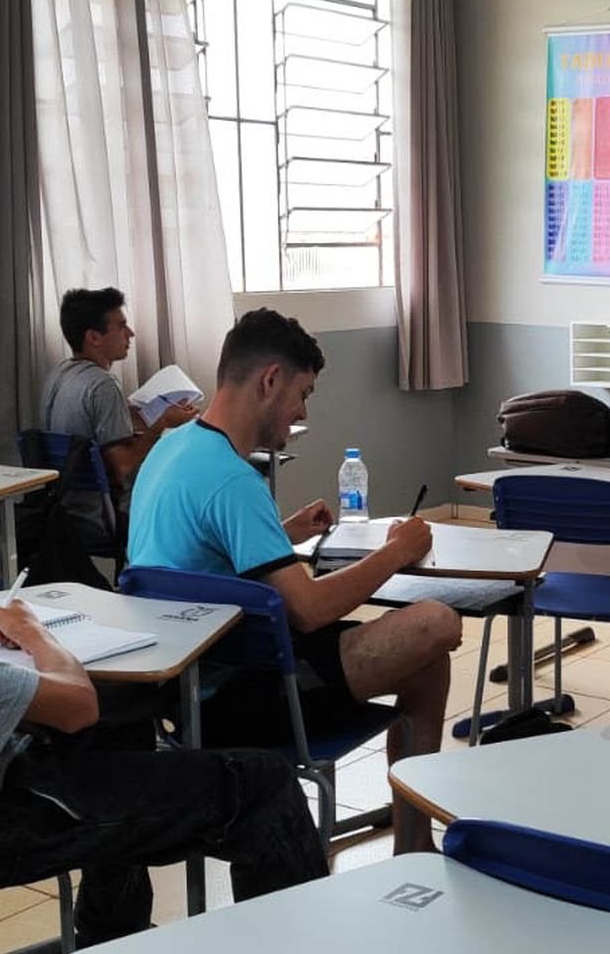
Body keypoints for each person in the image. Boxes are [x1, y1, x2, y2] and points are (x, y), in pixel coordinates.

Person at [0, 396, 325, 946]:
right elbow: (74, 704)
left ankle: (111, 936)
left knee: (125, 728)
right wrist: (34, 635)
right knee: (263, 785)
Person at [127, 307, 462, 855]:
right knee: (435, 625)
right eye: (302, 393)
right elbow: (307, 610)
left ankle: (415, 842)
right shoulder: (234, 480)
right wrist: (398, 552)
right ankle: (413, 843)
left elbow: (194, 565)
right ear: (269, 381)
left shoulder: (173, 448)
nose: (301, 412)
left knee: (425, 654)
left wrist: (284, 532)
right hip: (238, 692)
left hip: (177, 687)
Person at [38, 287, 196, 548]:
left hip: (63, 509)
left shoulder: (58, 375)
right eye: (121, 326)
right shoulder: (103, 385)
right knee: (188, 493)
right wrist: (162, 424)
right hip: (102, 514)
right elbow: (123, 467)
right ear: (94, 337)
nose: (130, 333)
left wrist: (139, 413)